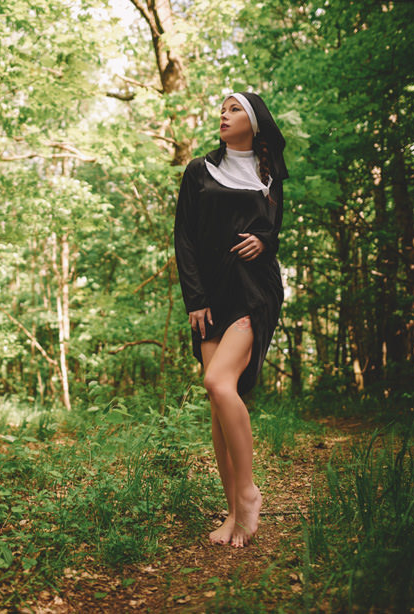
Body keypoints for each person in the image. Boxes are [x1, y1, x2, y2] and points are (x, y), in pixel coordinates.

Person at [173, 92, 288, 547]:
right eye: (222, 109)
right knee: (219, 405)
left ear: (255, 123)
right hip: (211, 297)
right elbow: (184, 237)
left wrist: (264, 242)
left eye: (234, 108)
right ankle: (234, 515)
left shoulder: (269, 174)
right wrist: (195, 299)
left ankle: (248, 493)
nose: (224, 114)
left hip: (254, 291)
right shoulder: (199, 171)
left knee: (219, 383)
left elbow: (272, 232)